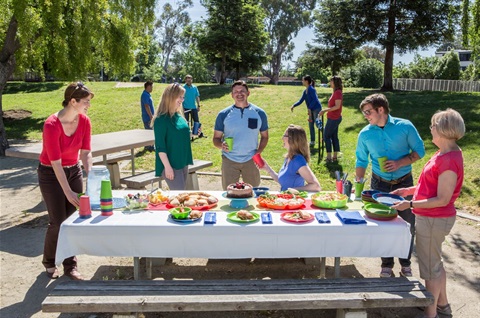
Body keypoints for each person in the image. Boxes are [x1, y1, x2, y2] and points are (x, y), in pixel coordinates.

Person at [391, 109, 464, 318]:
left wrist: (410, 204)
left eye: (433, 125)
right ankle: (443, 306)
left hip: (434, 219)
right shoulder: (444, 152)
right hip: (431, 217)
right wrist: (408, 191)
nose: (430, 129)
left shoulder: (449, 159)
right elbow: (430, 185)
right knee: (436, 264)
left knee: (430, 269)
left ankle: (430, 313)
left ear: (442, 130)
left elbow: (442, 198)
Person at [355, 93, 425, 278]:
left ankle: (406, 263)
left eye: (369, 112)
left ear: (381, 109)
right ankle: (386, 264)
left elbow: (420, 151)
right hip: (379, 184)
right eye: (364, 113)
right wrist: (358, 183)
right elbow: (361, 160)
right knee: (382, 225)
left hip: (404, 183)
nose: (366, 116)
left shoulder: (405, 127)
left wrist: (400, 163)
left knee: (407, 224)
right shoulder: (365, 134)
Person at [38, 82, 94, 280]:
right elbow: (55, 163)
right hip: (51, 174)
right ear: (73, 101)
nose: (88, 105)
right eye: (85, 102)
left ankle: (70, 265)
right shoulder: (51, 125)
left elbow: (86, 153)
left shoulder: (85, 122)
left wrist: (92, 175)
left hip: (74, 170)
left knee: (72, 221)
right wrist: (68, 192)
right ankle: (49, 261)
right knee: (58, 221)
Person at [213, 80, 269, 190]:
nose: (239, 94)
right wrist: (221, 145)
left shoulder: (259, 113)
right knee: (229, 193)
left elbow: (265, 136)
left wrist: (258, 152)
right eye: (236, 91)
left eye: (242, 91)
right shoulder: (223, 114)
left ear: (248, 93)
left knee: (253, 193)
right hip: (229, 160)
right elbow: (216, 138)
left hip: (251, 160)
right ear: (232, 95)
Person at [151, 83, 195, 190]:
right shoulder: (160, 120)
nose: (182, 100)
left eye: (183, 97)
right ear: (170, 97)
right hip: (171, 164)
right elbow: (160, 147)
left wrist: (194, 133)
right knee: (179, 195)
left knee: (181, 195)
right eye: (180, 97)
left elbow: (181, 136)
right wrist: (167, 167)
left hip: (183, 161)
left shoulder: (178, 116)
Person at [258, 124, 321, 192]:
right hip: (286, 200)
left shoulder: (298, 160)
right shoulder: (289, 157)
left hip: (295, 200)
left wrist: (291, 191)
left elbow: (315, 186)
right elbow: (283, 181)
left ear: (293, 139)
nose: (282, 138)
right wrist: (268, 169)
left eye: (284, 136)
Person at [290, 75, 322, 147]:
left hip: (316, 109)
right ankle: (313, 141)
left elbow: (315, 100)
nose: (302, 81)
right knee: (311, 125)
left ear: (306, 81)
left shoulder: (311, 89)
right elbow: (301, 100)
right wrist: (294, 105)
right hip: (311, 109)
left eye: (303, 80)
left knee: (317, 124)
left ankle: (327, 137)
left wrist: (309, 108)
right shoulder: (305, 91)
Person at [319, 76, 343, 162]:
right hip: (333, 117)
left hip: (334, 118)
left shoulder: (337, 93)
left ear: (335, 83)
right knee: (334, 136)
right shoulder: (336, 92)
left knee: (326, 136)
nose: (330, 83)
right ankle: (334, 157)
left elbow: (337, 106)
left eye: (331, 81)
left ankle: (329, 157)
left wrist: (325, 110)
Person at [140, 80, 155, 151]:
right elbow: (146, 106)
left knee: (149, 131)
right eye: (152, 86)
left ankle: (148, 145)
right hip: (147, 117)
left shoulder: (147, 94)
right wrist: (151, 116)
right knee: (150, 132)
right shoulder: (145, 95)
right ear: (148, 86)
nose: (152, 88)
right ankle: (150, 147)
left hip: (149, 117)